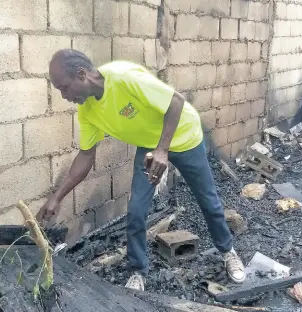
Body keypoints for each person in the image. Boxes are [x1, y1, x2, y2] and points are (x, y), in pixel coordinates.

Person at [37, 49, 246, 291]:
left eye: (64, 87)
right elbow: (86, 156)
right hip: (149, 146)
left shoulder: (124, 77)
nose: (63, 96)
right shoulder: (87, 112)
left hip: (184, 135)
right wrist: (56, 197)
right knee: (136, 210)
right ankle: (138, 271)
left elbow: (176, 100)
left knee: (208, 201)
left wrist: (163, 149)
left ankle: (228, 251)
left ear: (81, 74)